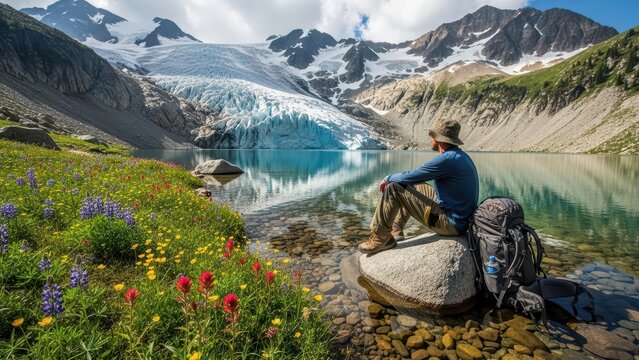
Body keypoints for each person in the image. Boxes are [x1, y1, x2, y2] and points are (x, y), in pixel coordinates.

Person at [358, 118, 479, 254]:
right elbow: (413, 178)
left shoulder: (446, 159)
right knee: (411, 185)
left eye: (431, 135)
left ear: (437, 138)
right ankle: (396, 228)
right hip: (461, 220)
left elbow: (413, 174)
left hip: (450, 224)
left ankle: (381, 237)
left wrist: (388, 178)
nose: (429, 139)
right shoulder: (459, 156)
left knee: (394, 188)